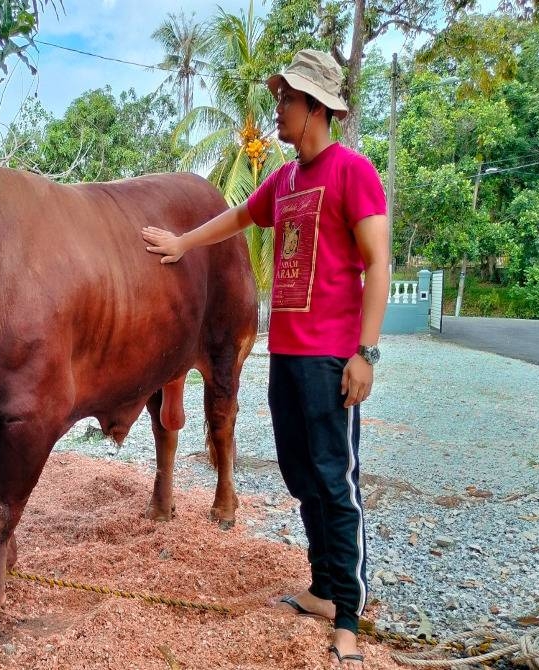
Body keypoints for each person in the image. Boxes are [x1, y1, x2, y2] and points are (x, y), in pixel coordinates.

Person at [141, 48, 389, 670]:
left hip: (335, 357)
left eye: (286, 100)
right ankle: (323, 587)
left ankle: (349, 616)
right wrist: (181, 242)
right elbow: (233, 218)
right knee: (301, 476)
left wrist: (366, 352)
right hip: (289, 357)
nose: (277, 109)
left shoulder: (354, 172)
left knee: (337, 482)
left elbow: (379, 263)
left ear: (315, 110)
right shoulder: (284, 181)